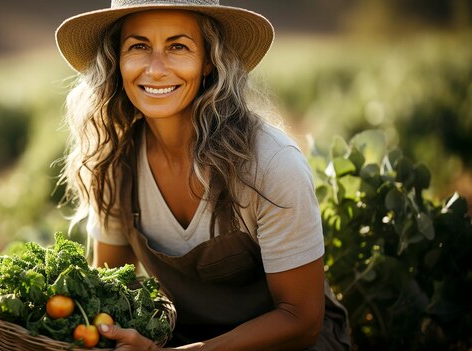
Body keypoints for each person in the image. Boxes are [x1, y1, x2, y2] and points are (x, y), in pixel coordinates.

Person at [55, 1, 351, 350]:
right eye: (138, 46)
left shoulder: (271, 164)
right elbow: (107, 291)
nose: (156, 69)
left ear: (209, 59)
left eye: (178, 47)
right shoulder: (114, 163)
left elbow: (300, 321)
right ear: (117, 61)